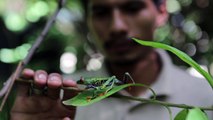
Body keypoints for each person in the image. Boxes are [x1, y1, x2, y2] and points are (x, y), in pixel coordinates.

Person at [10, 0, 213, 120]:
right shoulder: (61, 95)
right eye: (101, 12)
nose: (117, 26)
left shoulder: (206, 98)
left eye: (132, 7)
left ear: (161, 12)